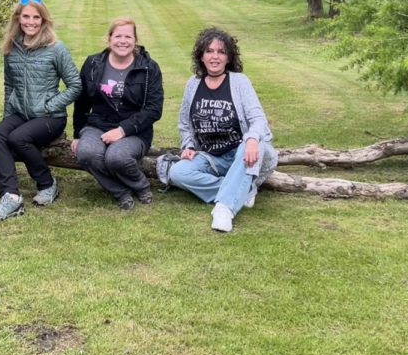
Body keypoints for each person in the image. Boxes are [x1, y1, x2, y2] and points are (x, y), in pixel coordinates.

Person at [167, 27, 277, 232]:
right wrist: (188, 145)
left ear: (229, 58)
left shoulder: (239, 82)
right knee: (177, 172)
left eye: (221, 52)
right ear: (201, 56)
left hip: (242, 155)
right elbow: (185, 124)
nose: (215, 57)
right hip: (211, 158)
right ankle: (242, 189)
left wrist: (252, 139)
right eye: (209, 51)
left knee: (252, 144)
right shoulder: (193, 84)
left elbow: (258, 119)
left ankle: (224, 209)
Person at [0, 0, 82, 221]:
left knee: (18, 138)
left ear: (44, 20)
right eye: (26, 17)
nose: (31, 22)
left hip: (50, 117)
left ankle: (47, 184)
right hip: (21, 113)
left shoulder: (56, 48)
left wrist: (50, 105)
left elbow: (76, 85)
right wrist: (7, 117)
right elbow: (9, 85)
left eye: (36, 17)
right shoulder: (11, 48)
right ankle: (10, 196)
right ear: (18, 19)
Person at [71, 18, 164, 210]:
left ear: (135, 40)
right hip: (98, 125)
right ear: (109, 38)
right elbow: (81, 102)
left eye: (128, 37)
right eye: (118, 36)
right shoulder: (93, 63)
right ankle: (120, 191)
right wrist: (77, 134)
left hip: (135, 130)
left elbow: (154, 109)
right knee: (87, 153)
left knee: (116, 157)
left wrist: (122, 130)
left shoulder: (149, 68)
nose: (123, 41)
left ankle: (141, 185)